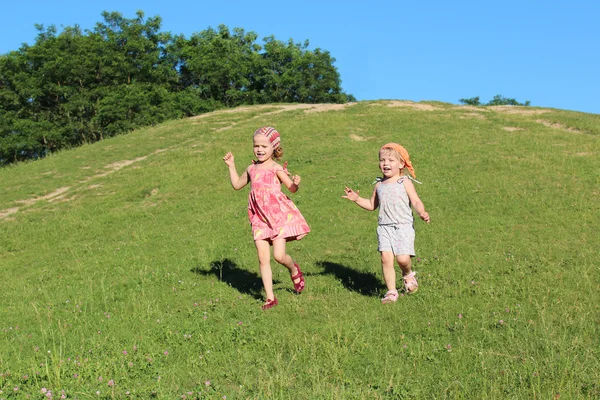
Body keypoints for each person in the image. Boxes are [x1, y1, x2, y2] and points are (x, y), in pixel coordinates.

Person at [223, 127, 310, 310]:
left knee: (279, 256)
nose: (259, 149)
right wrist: (231, 166)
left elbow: (291, 189)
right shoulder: (251, 168)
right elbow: (237, 185)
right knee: (263, 258)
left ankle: (294, 269)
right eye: (256, 146)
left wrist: (295, 183)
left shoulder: (276, 168)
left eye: (264, 146)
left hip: (277, 218)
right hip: (258, 219)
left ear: (274, 147)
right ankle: (270, 298)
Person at [343, 143, 430, 303]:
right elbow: (371, 205)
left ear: (401, 164)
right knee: (386, 259)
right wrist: (356, 199)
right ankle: (391, 292)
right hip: (384, 227)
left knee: (403, 259)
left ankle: (408, 274)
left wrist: (422, 212)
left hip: (403, 225)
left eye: (391, 160)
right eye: (382, 160)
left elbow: (416, 201)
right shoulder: (379, 185)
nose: (386, 163)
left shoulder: (404, 181)